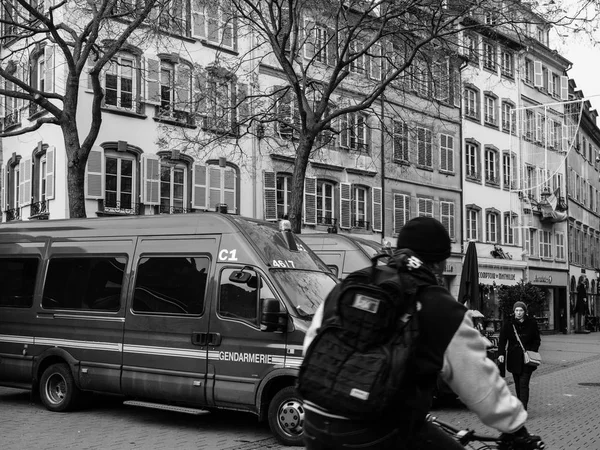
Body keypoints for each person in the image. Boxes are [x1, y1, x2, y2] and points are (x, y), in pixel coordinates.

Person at [302, 217, 541, 450]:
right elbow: (480, 383)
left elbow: (312, 344)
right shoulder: (442, 308)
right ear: (439, 264)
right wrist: (517, 429)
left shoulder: (352, 284)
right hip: (376, 431)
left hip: (315, 422)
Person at [497, 301, 541, 411]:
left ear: (525, 311)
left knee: (523, 384)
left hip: (527, 359)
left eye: (521, 310)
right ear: (514, 311)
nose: (518, 313)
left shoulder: (531, 323)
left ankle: (523, 409)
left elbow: (537, 340)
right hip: (514, 358)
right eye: (516, 310)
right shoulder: (509, 324)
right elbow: (502, 340)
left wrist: (532, 350)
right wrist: (501, 354)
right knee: (517, 384)